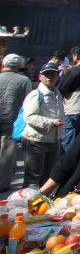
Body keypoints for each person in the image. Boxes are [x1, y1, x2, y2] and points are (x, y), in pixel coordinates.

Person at [22, 62, 64, 189]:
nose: (50, 77)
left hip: (53, 141)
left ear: (57, 76)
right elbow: (29, 117)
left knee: (48, 178)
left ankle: (44, 205)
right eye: (46, 75)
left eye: (53, 74)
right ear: (40, 76)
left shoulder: (57, 94)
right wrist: (51, 122)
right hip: (36, 141)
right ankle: (28, 205)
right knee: (33, 179)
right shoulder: (36, 94)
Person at [0, 54, 32, 191]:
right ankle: (2, 183)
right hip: (10, 119)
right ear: (19, 65)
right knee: (6, 152)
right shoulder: (24, 80)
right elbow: (28, 100)